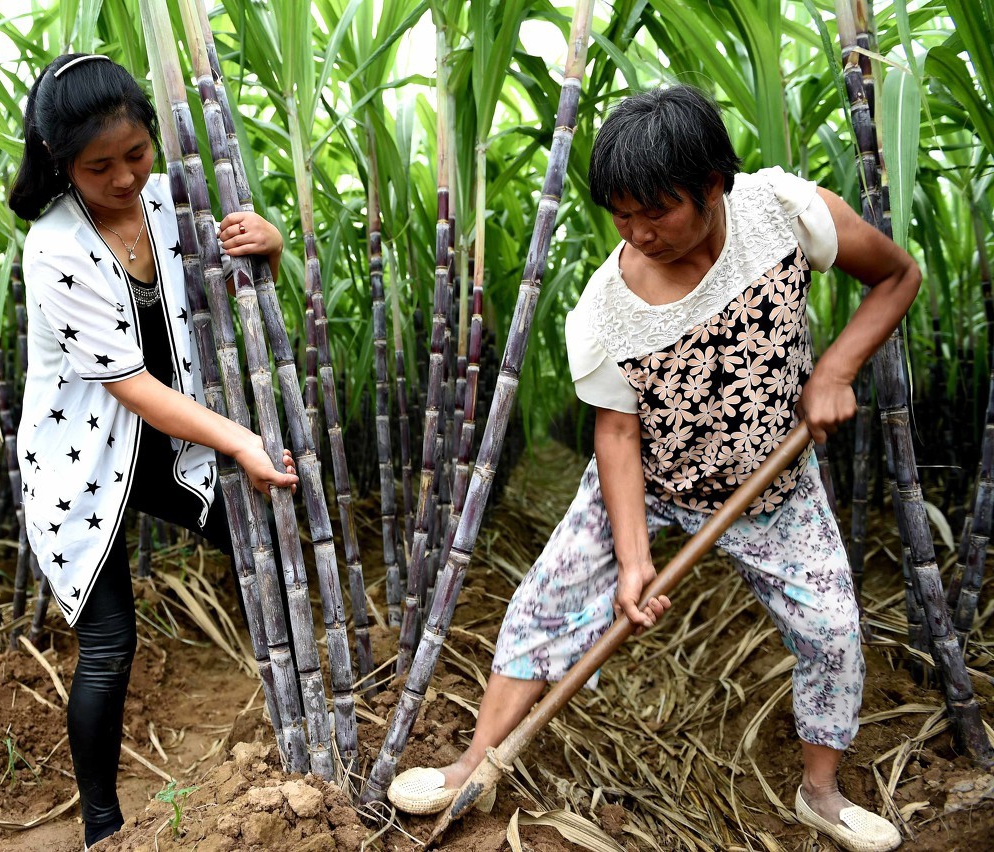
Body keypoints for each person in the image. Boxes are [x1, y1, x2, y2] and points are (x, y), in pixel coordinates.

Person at [387, 85, 917, 852]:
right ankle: (478, 761)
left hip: (770, 485)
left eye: (655, 211)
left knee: (832, 630)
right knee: (544, 606)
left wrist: (834, 369)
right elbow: (617, 436)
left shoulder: (787, 212)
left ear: (711, 186)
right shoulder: (606, 308)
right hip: (651, 480)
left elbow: (897, 276)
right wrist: (633, 563)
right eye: (620, 214)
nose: (637, 233)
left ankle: (821, 791)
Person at [9, 53, 298, 851]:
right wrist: (240, 440)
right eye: (99, 166)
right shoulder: (55, 246)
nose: (125, 178)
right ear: (61, 163)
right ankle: (103, 828)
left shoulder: (175, 202)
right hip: (85, 460)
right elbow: (129, 385)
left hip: (175, 448)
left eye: (136, 155)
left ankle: (296, 736)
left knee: (257, 551)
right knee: (107, 644)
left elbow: (231, 290)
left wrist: (267, 249)